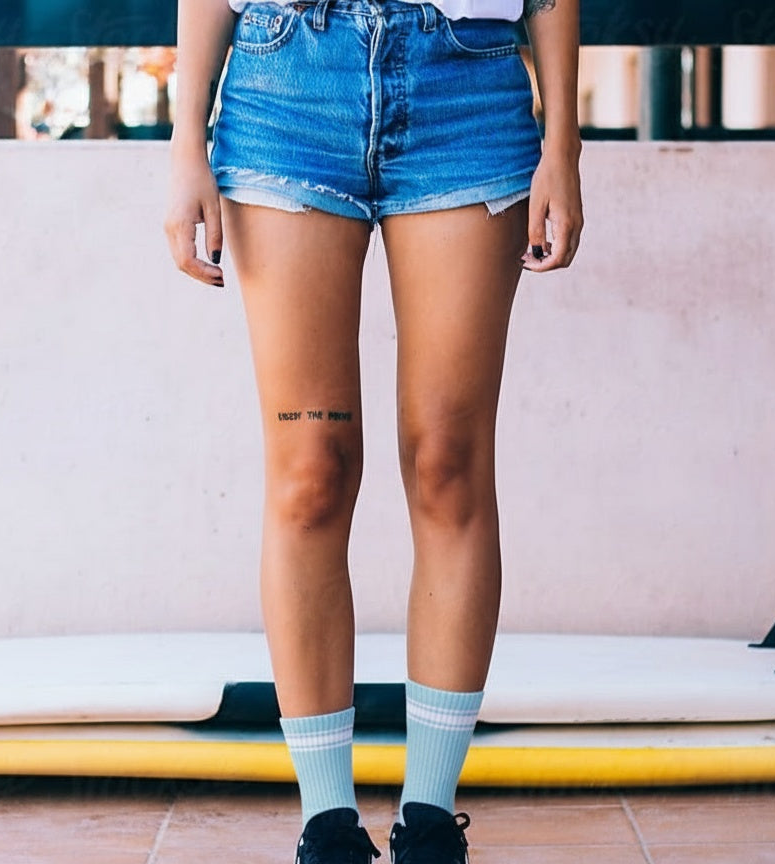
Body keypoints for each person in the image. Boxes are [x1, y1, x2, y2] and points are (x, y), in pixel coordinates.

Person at [165, 0, 582, 861]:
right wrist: (183, 140)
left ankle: (430, 820)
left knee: (447, 466)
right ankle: (327, 823)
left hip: (465, 86)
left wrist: (564, 143)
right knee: (310, 472)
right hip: (288, 86)